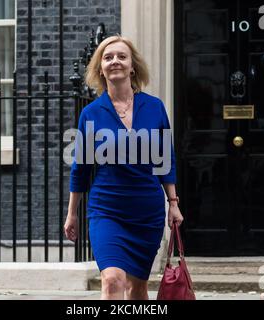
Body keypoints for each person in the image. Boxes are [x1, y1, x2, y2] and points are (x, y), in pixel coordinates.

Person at [64, 35, 183, 300]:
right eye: (108, 57)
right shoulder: (91, 114)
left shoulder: (154, 107)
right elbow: (80, 168)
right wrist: (72, 213)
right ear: (100, 68)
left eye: (121, 56)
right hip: (107, 210)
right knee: (112, 279)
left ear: (132, 67)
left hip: (146, 211)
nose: (114, 61)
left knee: (137, 287)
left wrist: (173, 203)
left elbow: (165, 160)